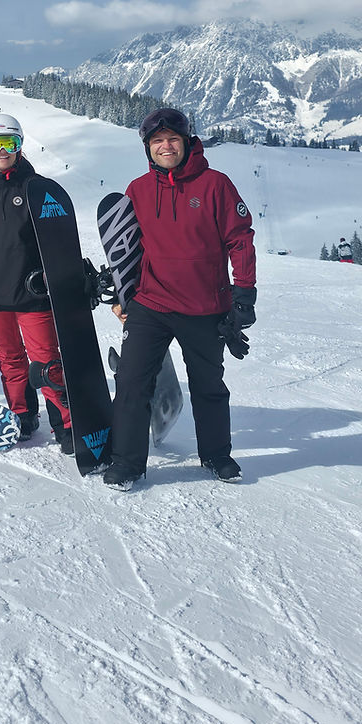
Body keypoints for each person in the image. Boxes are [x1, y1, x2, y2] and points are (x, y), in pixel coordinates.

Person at [103, 108, 256, 489]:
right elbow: (128, 248)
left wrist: (244, 295)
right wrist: (121, 291)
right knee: (132, 382)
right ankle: (127, 463)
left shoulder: (215, 185)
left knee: (208, 386)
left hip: (206, 307)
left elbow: (241, 239)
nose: (165, 146)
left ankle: (217, 455)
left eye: (172, 139)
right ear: (148, 149)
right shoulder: (138, 189)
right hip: (151, 304)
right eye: (157, 142)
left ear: (187, 142)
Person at [0, 113, 74, 452]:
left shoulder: (37, 188)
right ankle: (22, 414)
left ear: (20, 145)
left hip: (31, 293)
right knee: (10, 358)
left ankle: (66, 423)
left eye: (8, 143)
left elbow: (59, 239)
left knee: (46, 360)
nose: (1, 151)